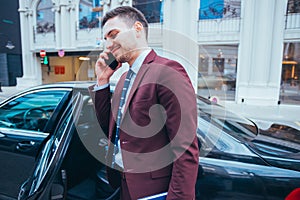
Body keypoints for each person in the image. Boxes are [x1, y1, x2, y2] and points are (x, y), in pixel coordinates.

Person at [89, 6, 199, 200]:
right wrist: (102, 81)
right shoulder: (123, 79)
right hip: (123, 185)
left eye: (113, 35)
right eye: (105, 39)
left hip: (153, 191)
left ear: (138, 29)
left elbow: (185, 149)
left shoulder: (167, 71)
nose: (108, 45)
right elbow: (109, 127)